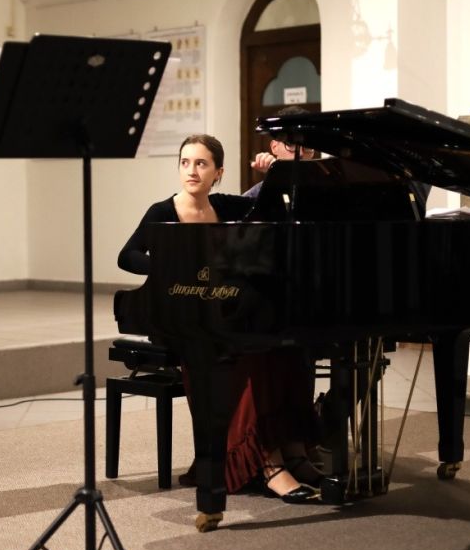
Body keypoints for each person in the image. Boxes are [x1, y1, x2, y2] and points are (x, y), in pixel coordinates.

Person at [118, 134, 320, 503]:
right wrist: (169, 267)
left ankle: (294, 451)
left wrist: (276, 172)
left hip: (225, 315)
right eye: (185, 162)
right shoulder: (162, 212)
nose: (191, 171)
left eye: (201, 163)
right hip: (182, 321)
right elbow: (127, 256)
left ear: (218, 172)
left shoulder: (226, 206)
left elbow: (274, 211)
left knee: (286, 350)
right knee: (247, 359)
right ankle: (268, 463)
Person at [243, 105, 315, 201]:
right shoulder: (254, 196)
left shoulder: (326, 188)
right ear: (274, 147)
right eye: (291, 144)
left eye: (308, 145)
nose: (301, 153)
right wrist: (276, 175)